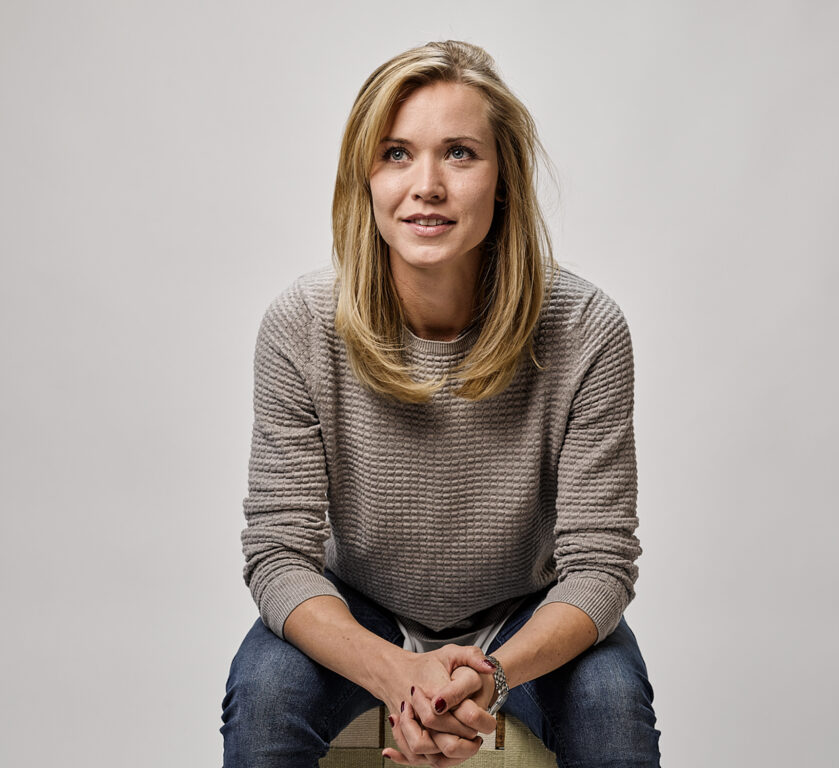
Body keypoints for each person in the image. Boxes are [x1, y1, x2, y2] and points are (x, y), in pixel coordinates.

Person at [220, 40, 661, 768]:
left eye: (459, 153)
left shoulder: (587, 329)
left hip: (526, 609)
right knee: (265, 695)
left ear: (504, 180)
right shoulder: (301, 325)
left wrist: (491, 677)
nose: (426, 185)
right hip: (359, 604)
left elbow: (600, 563)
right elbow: (279, 552)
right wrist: (397, 673)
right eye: (396, 154)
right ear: (364, 177)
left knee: (611, 705)